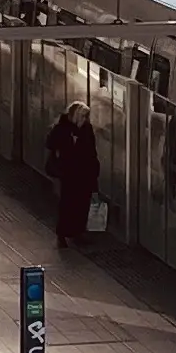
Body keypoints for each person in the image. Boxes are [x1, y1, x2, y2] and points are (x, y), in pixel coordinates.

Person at [45, 101, 102, 252]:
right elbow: (51, 144)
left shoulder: (86, 129)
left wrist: (94, 171)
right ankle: (62, 234)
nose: (85, 119)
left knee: (82, 204)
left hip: (83, 173)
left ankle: (78, 232)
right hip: (68, 173)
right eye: (83, 116)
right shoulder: (62, 128)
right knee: (67, 204)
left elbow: (91, 151)